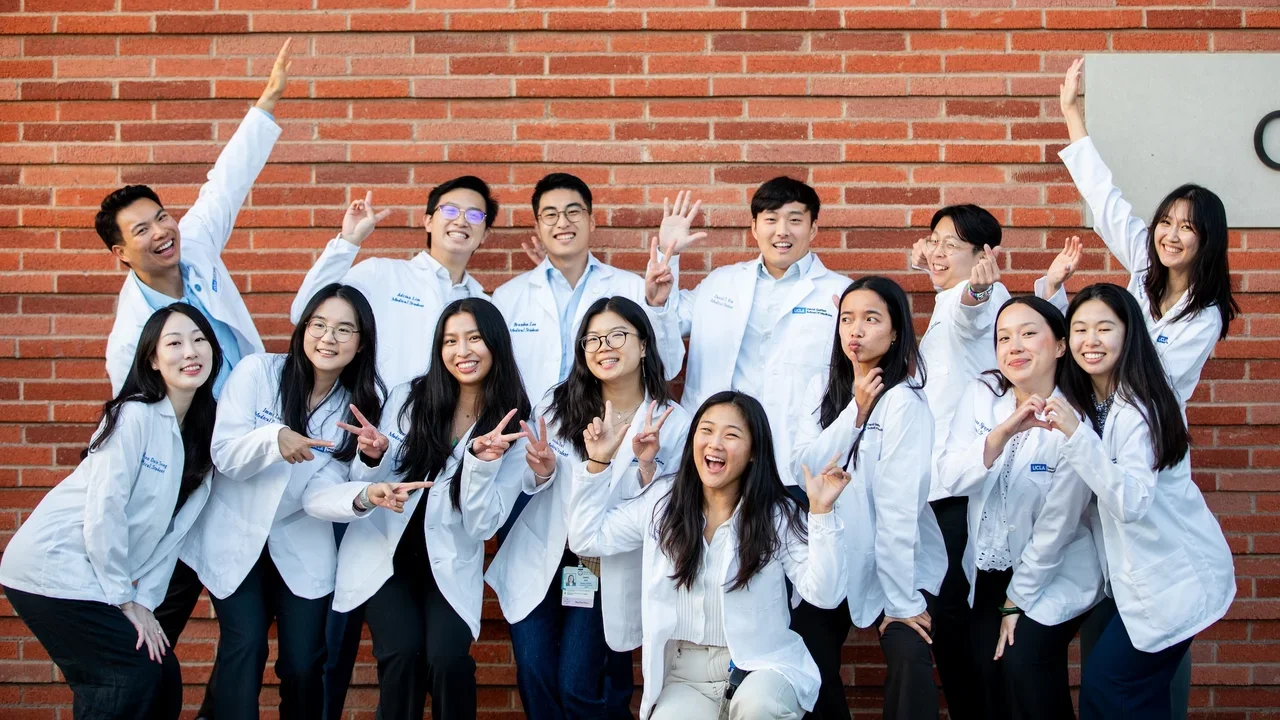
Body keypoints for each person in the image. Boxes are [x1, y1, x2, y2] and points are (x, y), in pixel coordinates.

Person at [93, 41, 292, 718]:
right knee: (160, 609)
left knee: (242, 623)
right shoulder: (130, 338)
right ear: (120, 254)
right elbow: (132, 422)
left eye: (161, 218)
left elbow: (224, 183)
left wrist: (265, 103)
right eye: (140, 231)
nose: (160, 233)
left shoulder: (198, 242)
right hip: (188, 472)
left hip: (250, 452)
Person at [1047, 58, 1240, 713]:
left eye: (1188, 226)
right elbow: (1108, 201)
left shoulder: (1204, 316)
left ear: (1206, 240)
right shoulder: (1142, 274)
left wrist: (1086, 344)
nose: (1170, 234)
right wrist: (1074, 115)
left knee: (1138, 657)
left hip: (1149, 446)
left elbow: (1145, 376)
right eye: (1167, 221)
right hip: (1112, 447)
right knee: (1128, 663)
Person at [178, 284, 409, 719]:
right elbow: (224, 455)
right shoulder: (257, 373)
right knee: (244, 647)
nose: (328, 338)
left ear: (361, 344)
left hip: (300, 540)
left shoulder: (357, 408)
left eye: (344, 330)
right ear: (303, 328)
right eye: (319, 325)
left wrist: (366, 485)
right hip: (237, 536)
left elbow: (321, 494)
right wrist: (274, 439)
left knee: (305, 666)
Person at [566, 391, 852, 720]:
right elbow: (587, 538)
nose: (715, 443)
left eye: (731, 435)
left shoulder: (776, 513)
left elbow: (826, 594)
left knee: (759, 708)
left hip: (763, 665)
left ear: (754, 452)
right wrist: (598, 462)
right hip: (687, 676)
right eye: (706, 430)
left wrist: (822, 512)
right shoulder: (663, 501)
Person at [0, 304, 221, 720]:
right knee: (128, 676)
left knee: (160, 671)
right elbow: (106, 510)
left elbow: (172, 538)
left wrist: (145, 605)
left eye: (199, 340)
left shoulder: (203, 434)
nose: (190, 351)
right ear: (153, 359)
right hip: (51, 566)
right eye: (174, 343)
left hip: (94, 577)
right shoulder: (133, 414)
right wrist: (124, 599)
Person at [486, 296, 692, 720]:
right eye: (592, 339)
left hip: (603, 564)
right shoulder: (558, 404)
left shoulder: (671, 422)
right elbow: (530, 481)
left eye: (617, 335)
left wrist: (647, 466)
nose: (603, 347)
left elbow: (661, 507)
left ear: (644, 345)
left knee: (578, 685)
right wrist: (541, 472)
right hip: (542, 552)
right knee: (534, 674)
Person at [330, 298, 532, 720]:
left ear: (495, 343)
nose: (462, 351)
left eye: (474, 338)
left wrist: (482, 463)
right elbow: (369, 486)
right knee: (402, 656)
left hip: (449, 562)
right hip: (387, 557)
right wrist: (372, 456)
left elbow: (483, 525)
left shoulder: (513, 423)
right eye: (450, 340)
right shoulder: (411, 396)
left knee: (448, 661)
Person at [1053, 284, 1234, 719]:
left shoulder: (1139, 406)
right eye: (1079, 329)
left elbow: (1130, 501)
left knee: (1110, 687)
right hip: (1141, 581)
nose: (1089, 340)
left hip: (1174, 577)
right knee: (1132, 696)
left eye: (1103, 328)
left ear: (1129, 332)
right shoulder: (1095, 400)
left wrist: (1075, 438)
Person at [939, 297, 1104, 719]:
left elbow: (1058, 526)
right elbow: (950, 476)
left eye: (1029, 333)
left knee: (1025, 670)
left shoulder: (1077, 418)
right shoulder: (983, 394)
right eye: (1004, 337)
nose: (1015, 346)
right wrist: (1004, 432)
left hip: (1055, 572)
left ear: (1061, 346)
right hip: (986, 570)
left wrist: (1016, 601)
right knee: (987, 684)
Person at [791, 277, 947, 720]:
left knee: (909, 650)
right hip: (836, 553)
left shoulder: (905, 403)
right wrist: (854, 414)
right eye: (847, 319)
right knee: (805, 652)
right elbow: (804, 469)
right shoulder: (823, 390)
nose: (855, 330)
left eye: (870, 319)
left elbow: (898, 512)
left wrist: (901, 603)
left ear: (896, 331)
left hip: (901, 564)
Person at [644, 177, 852, 485]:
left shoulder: (839, 293)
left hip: (796, 463)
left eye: (795, 220)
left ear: (813, 229)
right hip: (716, 459)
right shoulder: (720, 283)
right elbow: (664, 340)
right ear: (754, 228)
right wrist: (667, 257)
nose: (782, 231)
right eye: (771, 219)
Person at [906, 203, 1011, 720]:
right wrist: (934, 266)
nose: (938, 250)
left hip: (960, 491)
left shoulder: (980, 302)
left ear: (985, 256)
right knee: (961, 617)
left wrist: (976, 290)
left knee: (955, 617)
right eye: (935, 239)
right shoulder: (948, 297)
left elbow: (972, 315)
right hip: (950, 484)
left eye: (953, 244)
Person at [493, 173, 685, 407]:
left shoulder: (630, 287)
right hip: (529, 432)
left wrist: (656, 307)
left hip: (607, 428)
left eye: (573, 212)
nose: (563, 223)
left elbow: (668, 366)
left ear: (591, 222)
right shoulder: (508, 297)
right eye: (551, 215)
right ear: (538, 226)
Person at [290, 178, 498, 390]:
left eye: (474, 215)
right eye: (450, 211)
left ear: (485, 234)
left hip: (441, 421)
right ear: (428, 221)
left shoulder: (483, 302)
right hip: (370, 415)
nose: (461, 221)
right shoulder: (381, 273)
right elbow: (303, 312)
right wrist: (348, 242)